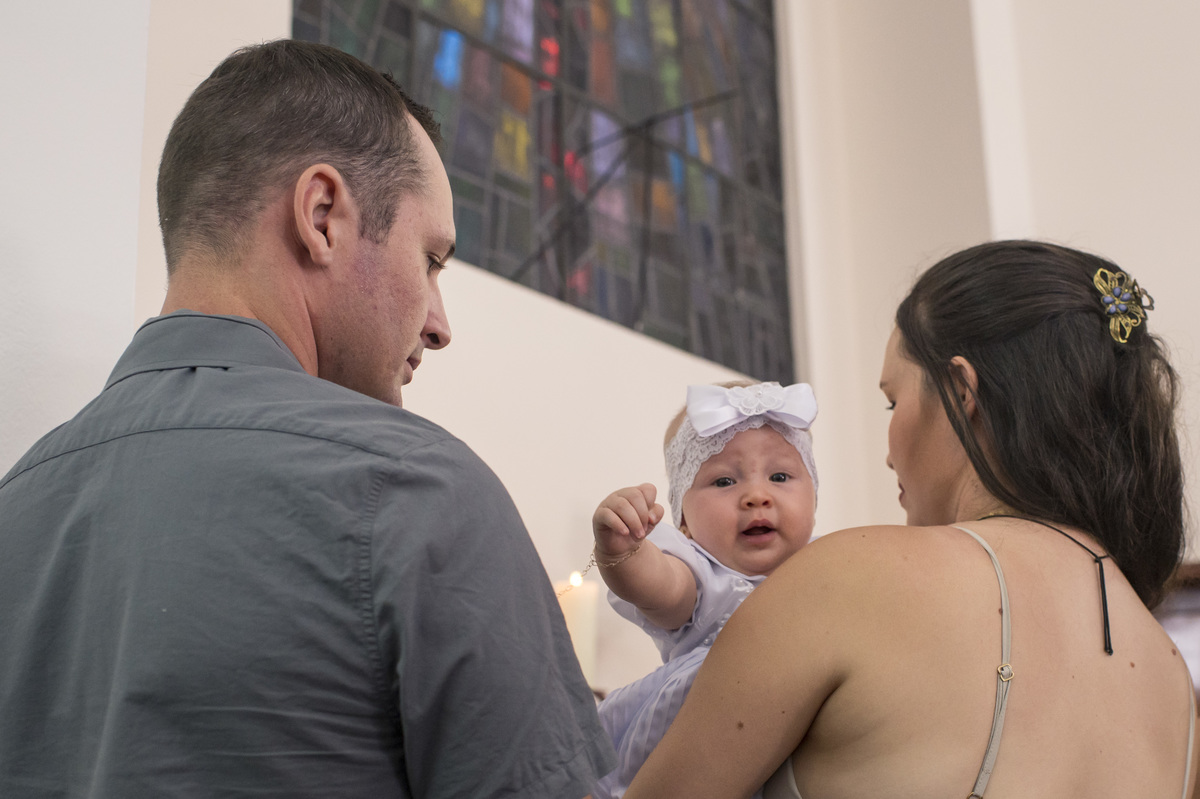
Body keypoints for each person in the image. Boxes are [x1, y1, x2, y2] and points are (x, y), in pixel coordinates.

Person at [0, 40, 613, 798]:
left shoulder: (14, 506)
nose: (440, 324)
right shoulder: (422, 493)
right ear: (322, 216)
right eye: (430, 259)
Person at [623, 240, 1198, 798]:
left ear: (960, 390)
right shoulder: (1174, 679)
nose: (889, 452)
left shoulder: (848, 577)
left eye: (893, 402)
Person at [590, 380, 819, 798]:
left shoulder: (829, 573)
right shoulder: (705, 577)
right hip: (690, 764)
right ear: (684, 523)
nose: (756, 495)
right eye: (724, 482)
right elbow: (661, 588)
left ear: (814, 502)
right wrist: (623, 551)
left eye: (781, 476)